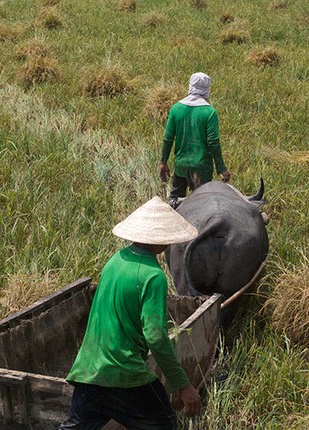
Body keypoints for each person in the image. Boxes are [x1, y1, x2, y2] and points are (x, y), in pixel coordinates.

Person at [60, 196, 202, 430]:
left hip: (89, 371)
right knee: (164, 424)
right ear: (163, 240)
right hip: (126, 374)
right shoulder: (153, 276)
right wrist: (183, 385)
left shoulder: (116, 260)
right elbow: (155, 336)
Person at [159, 72, 231, 208]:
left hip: (181, 166)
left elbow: (168, 139)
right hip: (202, 169)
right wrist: (221, 168)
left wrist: (163, 162)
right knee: (202, 206)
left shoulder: (176, 108)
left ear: (190, 86)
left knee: (174, 204)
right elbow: (213, 142)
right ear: (207, 90)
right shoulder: (210, 112)